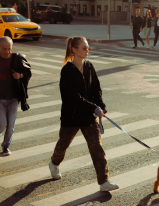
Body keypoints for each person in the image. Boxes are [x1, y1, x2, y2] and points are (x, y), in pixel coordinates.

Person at [48, 37, 119, 192]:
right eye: (84, 48)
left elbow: (96, 89)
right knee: (62, 145)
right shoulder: (67, 71)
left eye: (88, 48)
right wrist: (94, 108)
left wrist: (101, 106)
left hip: (88, 117)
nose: (87, 51)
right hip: (72, 116)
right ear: (74, 49)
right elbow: (72, 97)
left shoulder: (89, 66)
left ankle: (104, 181)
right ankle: (54, 163)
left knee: (97, 149)